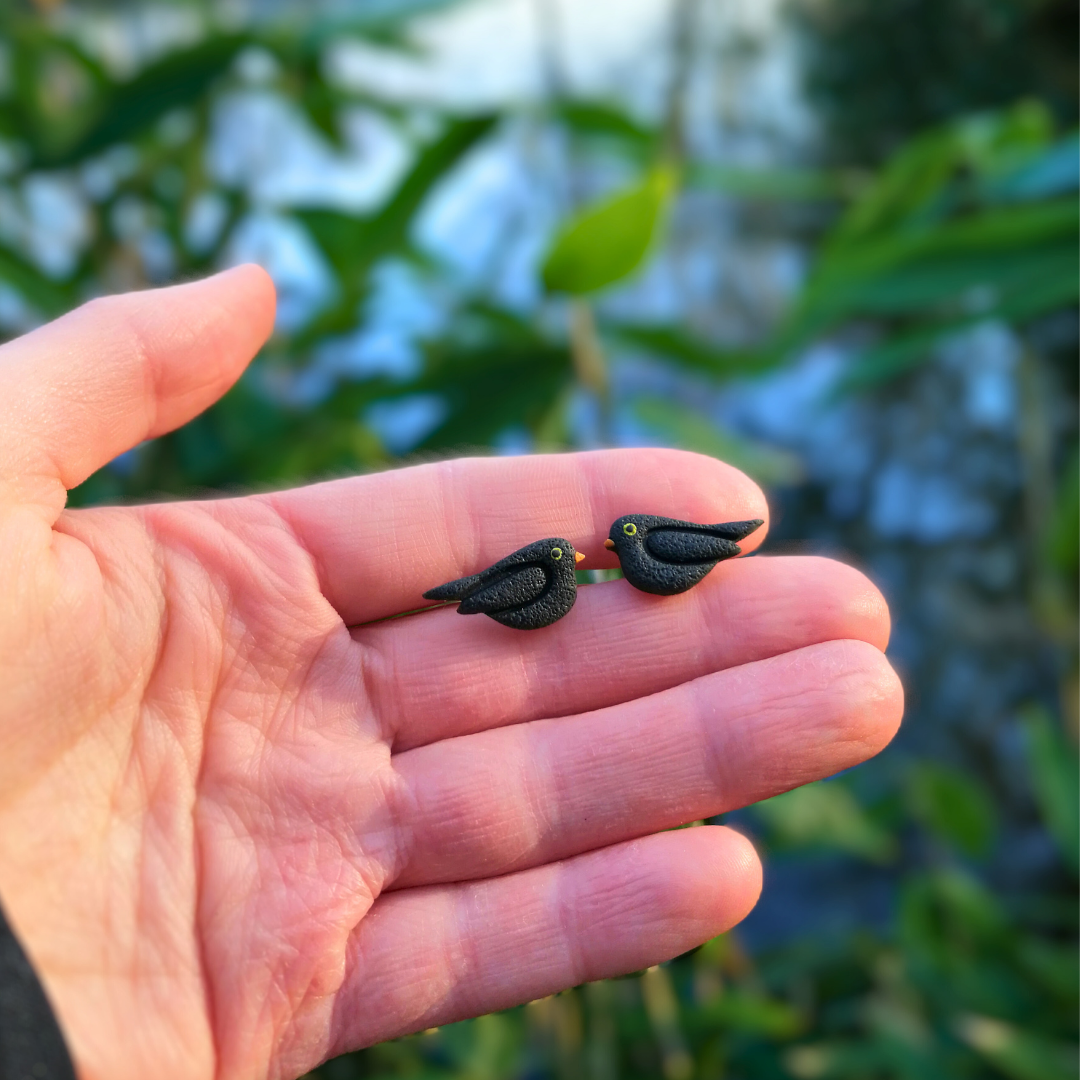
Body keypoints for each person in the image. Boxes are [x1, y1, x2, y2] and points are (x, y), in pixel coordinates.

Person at [0, 266, 902, 1080]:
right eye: (593, 549)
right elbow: (521, 588)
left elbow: (638, 562)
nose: (595, 551)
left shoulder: (615, 565)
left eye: (612, 544)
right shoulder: (556, 579)